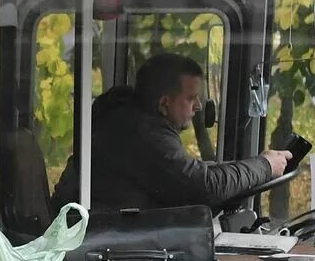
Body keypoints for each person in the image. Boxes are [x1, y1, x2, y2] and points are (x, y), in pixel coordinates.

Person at [51, 52, 292, 212]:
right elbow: (203, 186)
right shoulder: (143, 133)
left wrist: (251, 169)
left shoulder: (127, 120)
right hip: (107, 240)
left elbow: (192, 173)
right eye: (191, 98)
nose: (198, 106)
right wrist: (264, 166)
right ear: (165, 103)